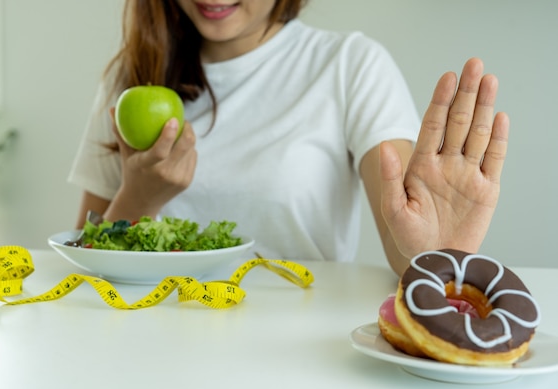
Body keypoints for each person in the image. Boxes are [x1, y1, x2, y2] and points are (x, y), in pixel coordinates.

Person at [68, 0, 509, 277]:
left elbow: (406, 249)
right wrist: (139, 197)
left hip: (298, 352)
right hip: (147, 344)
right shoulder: (131, 76)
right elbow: (86, 256)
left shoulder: (349, 65)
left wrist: (434, 252)